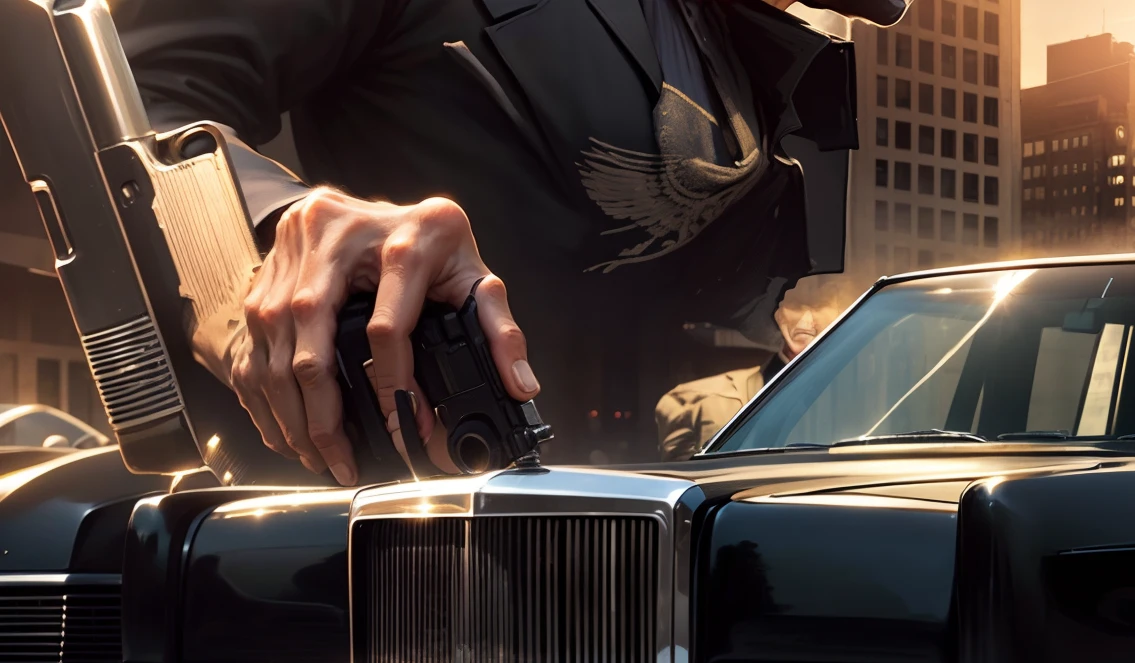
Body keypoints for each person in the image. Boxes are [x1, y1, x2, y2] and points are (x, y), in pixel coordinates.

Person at [114, 0, 900, 480]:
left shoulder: (727, 40)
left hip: (680, 585)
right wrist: (277, 226)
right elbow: (124, 107)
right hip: (412, 563)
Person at [656, 275, 848, 458]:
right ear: (779, 313)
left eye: (820, 306)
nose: (806, 320)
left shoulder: (859, 397)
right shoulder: (695, 401)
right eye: (796, 306)